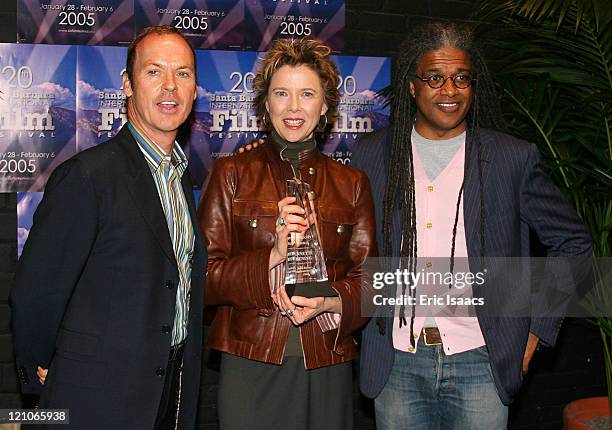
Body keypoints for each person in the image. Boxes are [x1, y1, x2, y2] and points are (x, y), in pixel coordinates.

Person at [352, 21, 592, 429]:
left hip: (481, 362)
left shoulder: (511, 158)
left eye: (461, 78)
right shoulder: (373, 155)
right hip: (395, 365)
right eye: (435, 78)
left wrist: (536, 330)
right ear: (413, 86)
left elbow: (574, 244)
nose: (450, 91)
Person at [10, 25, 206, 429]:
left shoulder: (181, 177)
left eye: (183, 73)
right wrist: (48, 367)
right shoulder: (87, 176)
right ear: (128, 85)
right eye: (154, 72)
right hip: (95, 396)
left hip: (170, 389)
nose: (170, 86)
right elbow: (35, 294)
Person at [198, 37, 377, 430]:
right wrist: (273, 255)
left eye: (307, 94)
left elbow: (370, 284)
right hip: (250, 362)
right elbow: (204, 280)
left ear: (326, 105)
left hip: (326, 362)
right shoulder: (232, 175)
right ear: (266, 104)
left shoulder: (353, 184)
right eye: (282, 93)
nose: (294, 108)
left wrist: (329, 301)